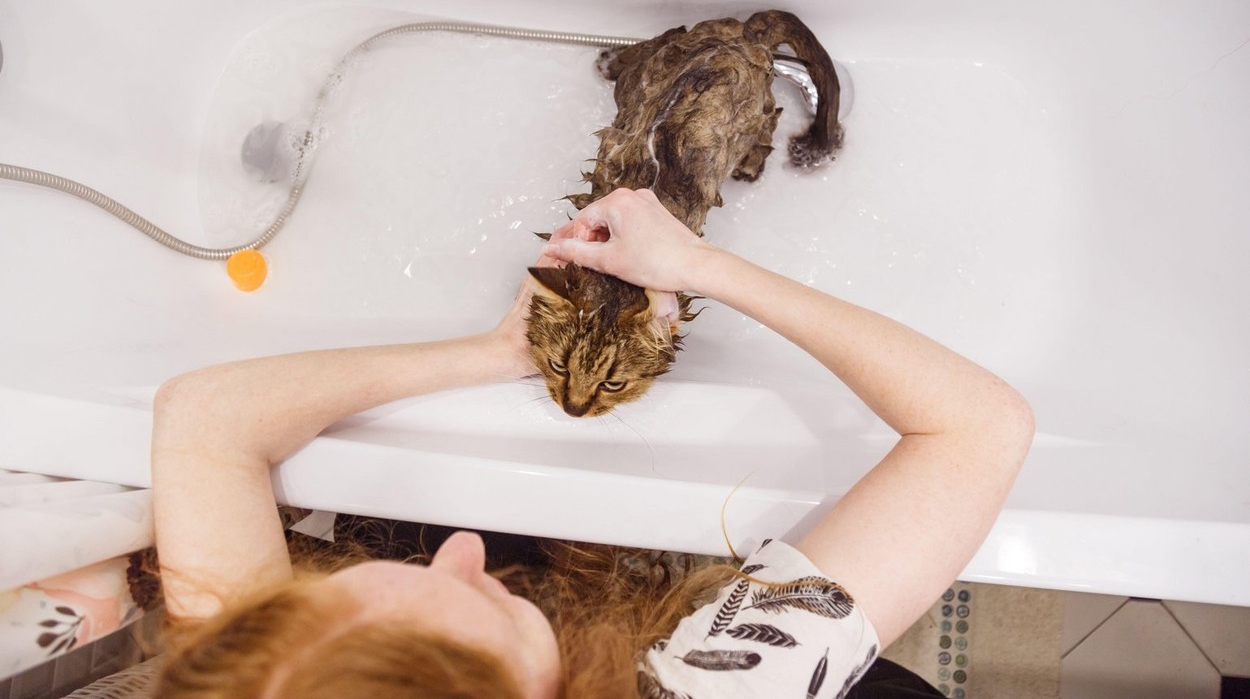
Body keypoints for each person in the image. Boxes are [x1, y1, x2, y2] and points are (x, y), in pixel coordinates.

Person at [149, 188, 1033, 698]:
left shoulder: (264, 682)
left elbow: (206, 419)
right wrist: (699, 267)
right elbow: (977, 427)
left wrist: (493, 353)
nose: (462, 550)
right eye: (484, 605)